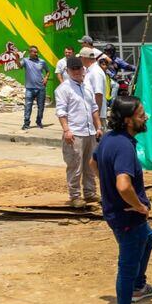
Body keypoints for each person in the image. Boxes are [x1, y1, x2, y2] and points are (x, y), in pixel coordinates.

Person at [91, 95, 152, 304]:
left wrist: (105, 187)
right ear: (129, 120)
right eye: (141, 115)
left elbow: (93, 163)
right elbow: (123, 185)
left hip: (115, 213)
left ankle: (139, 287)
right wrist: (139, 206)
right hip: (128, 218)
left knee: (150, 237)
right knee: (126, 267)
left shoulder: (109, 138)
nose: (145, 117)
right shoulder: (125, 147)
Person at [54, 56, 101, 208]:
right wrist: (66, 130)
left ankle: (90, 192)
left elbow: (94, 108)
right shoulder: (63, 89)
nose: (76, 72)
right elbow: (61, 112)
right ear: (67, 71)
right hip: (75, 134)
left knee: (90, 165)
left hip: (90, 132)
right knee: (75, 165)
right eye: (72, 69)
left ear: (83, 69)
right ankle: (75, 196)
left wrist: (98, 127)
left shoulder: (87, 86)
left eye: (78, 68)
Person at [20, 45, 49, 130]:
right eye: (34, 52)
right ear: (30, 52)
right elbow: (19, 66)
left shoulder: (42, 62)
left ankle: (39, 121)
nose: (36, 53)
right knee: (28, 106)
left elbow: (47, 71)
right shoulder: (25, 60)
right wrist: (16, 58)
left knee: (41, 107)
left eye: (37, 52)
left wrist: (46, 78)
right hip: (29, 88)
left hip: (41, 88)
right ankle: (26, 123)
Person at [80, 47, 108, 129]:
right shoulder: (91, 70)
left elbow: (98, 94)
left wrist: (96, 115)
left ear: (84, 58)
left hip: (97, 115)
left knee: (99, 139)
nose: (80, 60)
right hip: (92, 114)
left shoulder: (95, 72)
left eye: (80, 58)